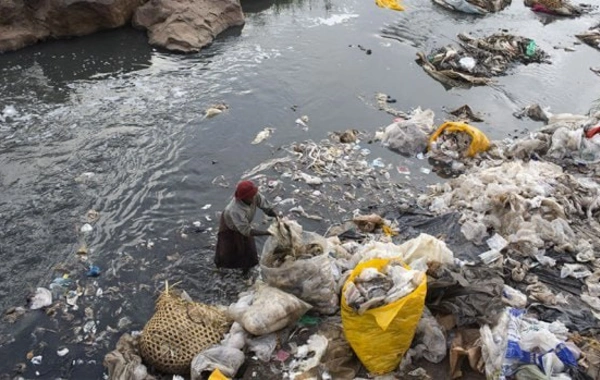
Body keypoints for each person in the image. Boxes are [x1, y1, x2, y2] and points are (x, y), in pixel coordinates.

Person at [214, 180, 277, 273]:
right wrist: (267, 233)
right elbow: (246, 231)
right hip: (230, 227)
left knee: (249, 254)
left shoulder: (254, 195)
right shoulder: (235, 209)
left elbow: (266, 207)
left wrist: (277, 216)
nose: (253, 198)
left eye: (253, 194)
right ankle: (221, 272)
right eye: (249, 197)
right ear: (243, 198)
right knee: (227, 254)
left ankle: (246, 271)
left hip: (244, 223)